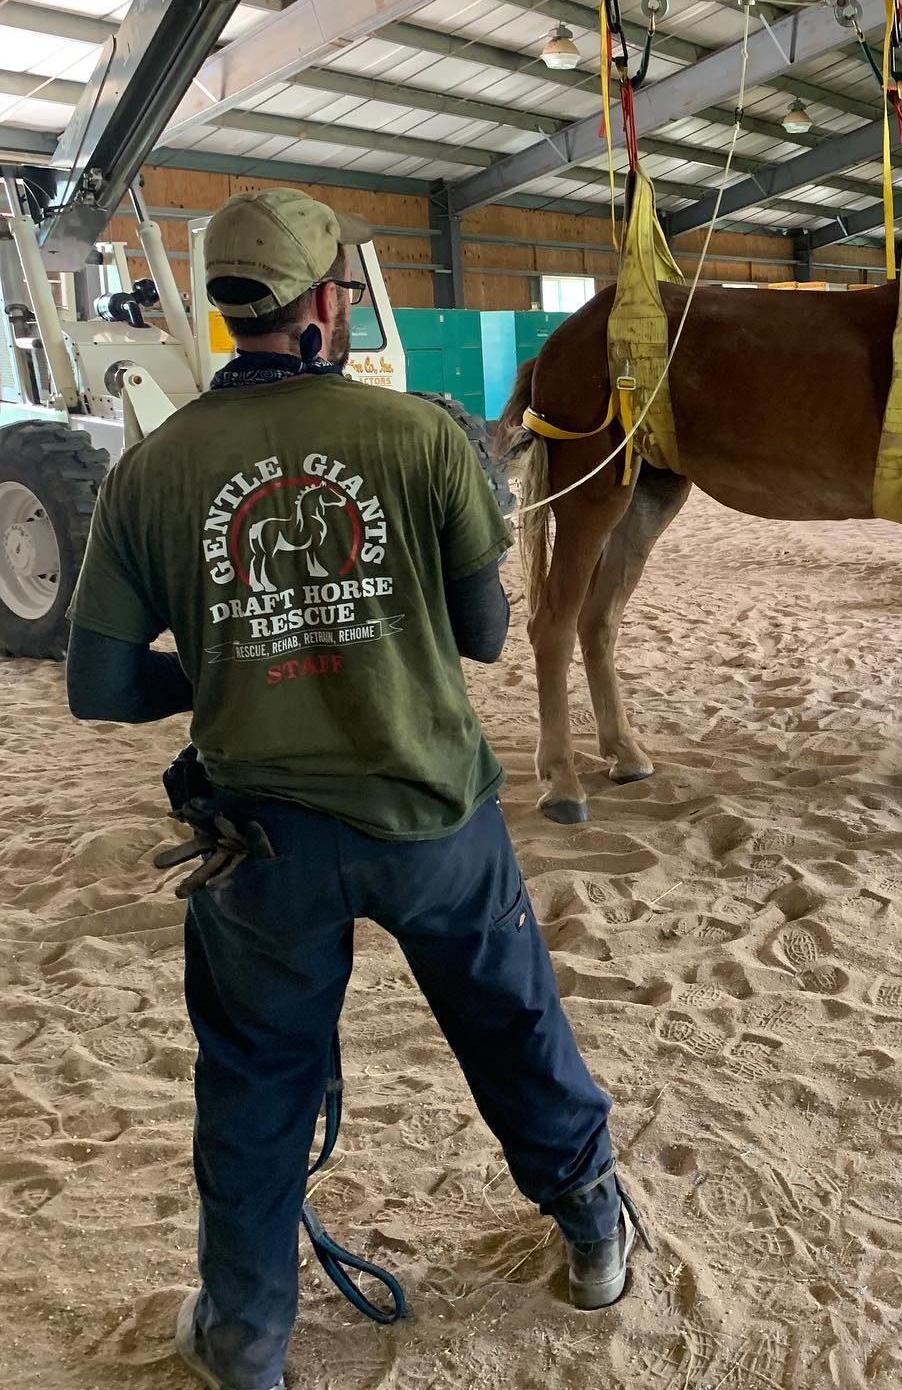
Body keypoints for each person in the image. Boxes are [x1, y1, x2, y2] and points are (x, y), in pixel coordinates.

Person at [66, 189, 643, 1390]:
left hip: (262, 848)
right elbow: (487, 634)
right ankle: (592, 1236)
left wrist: (231, 661)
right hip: (435, 816)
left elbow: (102, 688)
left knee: (255, 1084)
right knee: (512, 1025)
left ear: (228, 313)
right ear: (328, 302)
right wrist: (380, 626)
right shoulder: (424, 435)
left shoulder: (154, 468)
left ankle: (246, 1339)